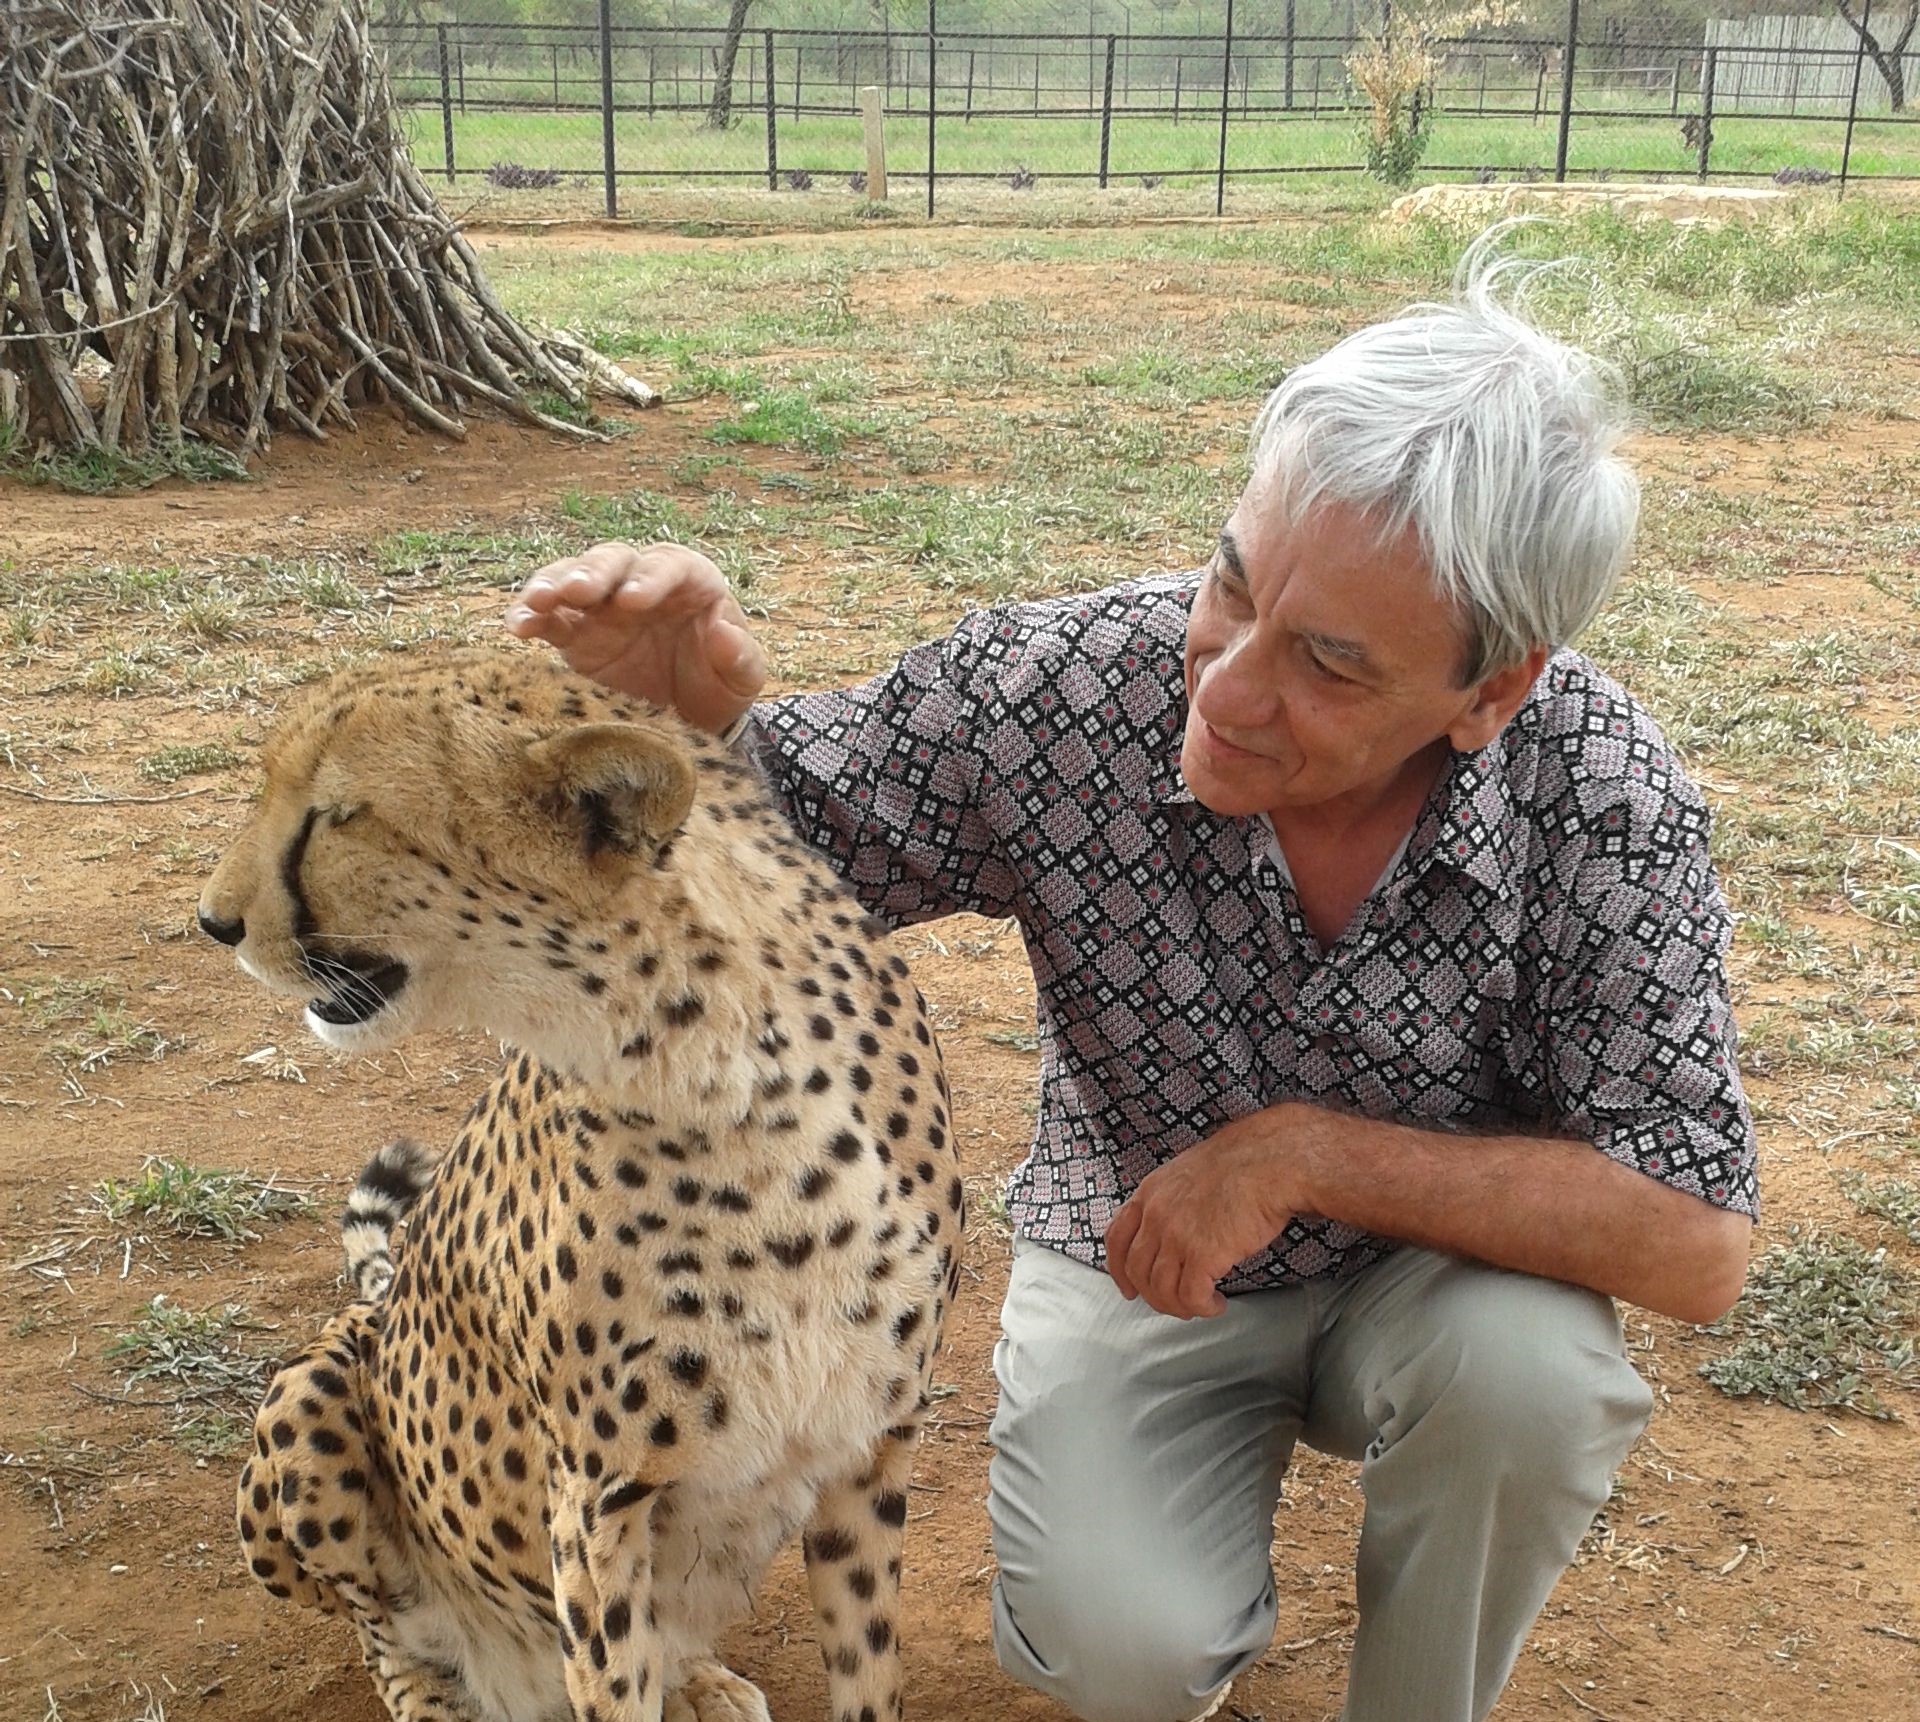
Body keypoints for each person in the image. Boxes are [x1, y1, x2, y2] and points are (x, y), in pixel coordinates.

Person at [504, 251, 1758, 1722]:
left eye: (1331, 667)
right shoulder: (1064, 690)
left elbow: (1695, 1238)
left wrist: (1299, 1156)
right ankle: (1184, 1601)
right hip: (1135, 1249)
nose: (1223, 684)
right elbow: (769, 863)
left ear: (1491, 692)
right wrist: (686, 738)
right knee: (1119, 1645)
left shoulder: (1604, 792)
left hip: (1437, 1290)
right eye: (1235, 580)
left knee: (1530, 1376)